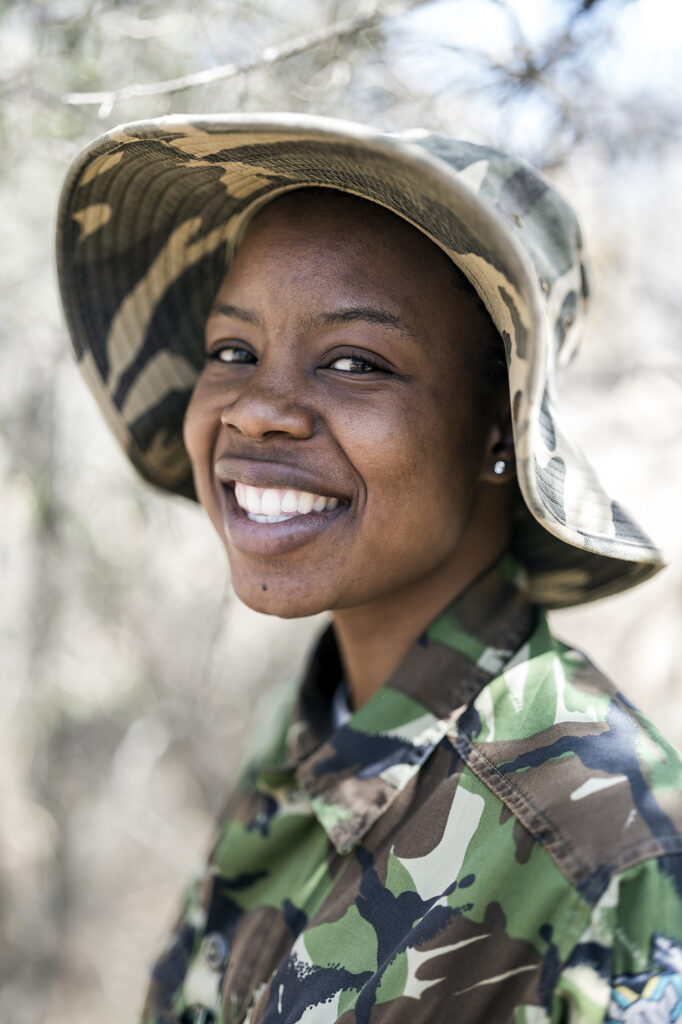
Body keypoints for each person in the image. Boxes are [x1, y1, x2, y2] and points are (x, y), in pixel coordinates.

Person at [56, 114, 682, 1024]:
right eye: (233, 350)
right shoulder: (308, 735)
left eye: (355, 361)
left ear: (498, 429)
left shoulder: (605, 848)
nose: (259, 410)